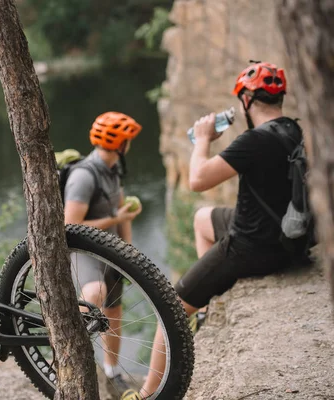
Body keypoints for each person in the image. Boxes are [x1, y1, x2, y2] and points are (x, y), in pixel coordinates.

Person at [122, 62, 301, 400]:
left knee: (169, 309)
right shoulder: (293, 130)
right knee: (203, 218)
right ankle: (206, 307)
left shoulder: (253, 141)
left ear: (246, 99)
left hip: (252, 248)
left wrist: (202, 140)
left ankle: (147, 395)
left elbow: (198, 179)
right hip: (287, 235)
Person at [63, 111, 143, 399]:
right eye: (128, 140)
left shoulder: (114, 169)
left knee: (114, 313)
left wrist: (129, 254)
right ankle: (67, 358)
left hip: (111, 252)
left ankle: (111, 372)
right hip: (85, 252)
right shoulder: (84, 175)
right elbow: (69, 225)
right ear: (120, 143)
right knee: (94, 293)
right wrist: (114, 218)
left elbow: (123, 214)